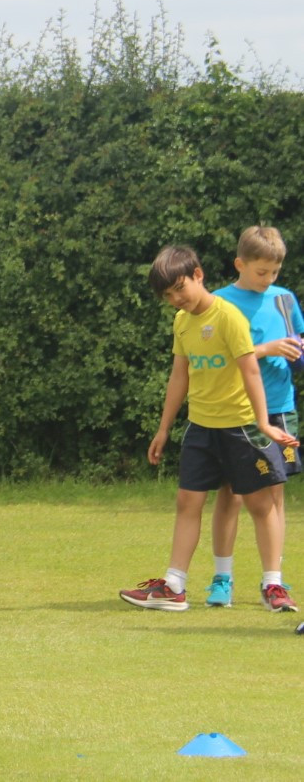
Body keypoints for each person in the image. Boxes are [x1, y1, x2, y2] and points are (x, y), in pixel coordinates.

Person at [119, 245, 298, 612]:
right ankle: (174, 587)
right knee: (188, 501)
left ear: (198, 275)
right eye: (168, 295)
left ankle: (273, 585)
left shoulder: (228, 316)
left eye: (179, 288)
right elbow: (179, 375)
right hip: (201, 428)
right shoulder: (182, 322)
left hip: (241, 428)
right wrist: (163, 429)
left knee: (260, 504)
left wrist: (263, 422)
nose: (176, 299)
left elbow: (250, 370)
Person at [201, 227, 304, 609]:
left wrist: (297, 350)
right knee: (231, 492)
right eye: (261, 272)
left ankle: (272, 582)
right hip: (235, 410)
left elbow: (298, 341)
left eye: (275, 272)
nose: (268, 279)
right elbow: (213, 358)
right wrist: (265, 349)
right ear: (239, 264)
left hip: (280, 407)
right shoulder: (218, 302)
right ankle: (222, 579)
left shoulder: (285, 299)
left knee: (275, 493)